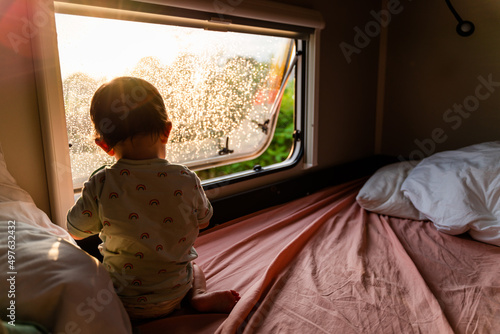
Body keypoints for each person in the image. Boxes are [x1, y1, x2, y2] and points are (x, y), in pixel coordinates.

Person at [67, 76, 240, 321]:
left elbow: (75, 231)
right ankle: (198, 295)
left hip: (120, 300)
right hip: (175, 292)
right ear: (167, 131)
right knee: (194, 267)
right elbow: (204, 221)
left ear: (103, 145)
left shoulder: (102, 182)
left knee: (93, 270)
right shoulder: (185, 177)